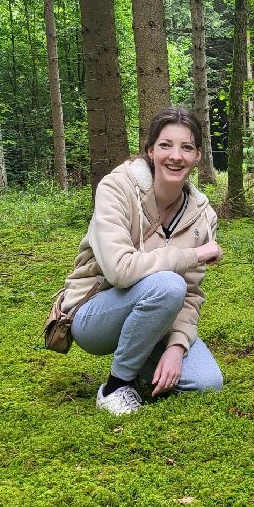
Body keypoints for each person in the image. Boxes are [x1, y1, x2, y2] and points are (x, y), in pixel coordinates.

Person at [62, 106, 224, 414]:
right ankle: (116, 386)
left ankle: (141, 363)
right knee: (169, 285)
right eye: (165, 145)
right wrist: (194, 254)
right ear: (150, 150)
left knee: (206, 381)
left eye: (186, 147)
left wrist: (177, 345)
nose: (175, 156)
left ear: (198, 156)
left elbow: (190, 294)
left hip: (157, 316)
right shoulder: (116, 188)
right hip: (94, 312)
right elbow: (120, 270)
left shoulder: (204, 216)